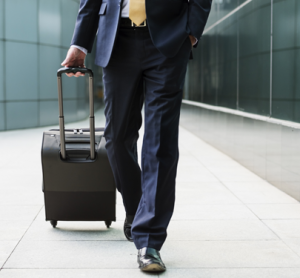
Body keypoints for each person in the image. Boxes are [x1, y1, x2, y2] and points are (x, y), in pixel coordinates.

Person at [62, 0, 212, 272]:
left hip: (168, 40)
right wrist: (80, 43)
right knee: (117, 138)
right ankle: (138, 208)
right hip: (116, 40)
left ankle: (149, 241)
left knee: (160, 141)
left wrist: (191, 31)